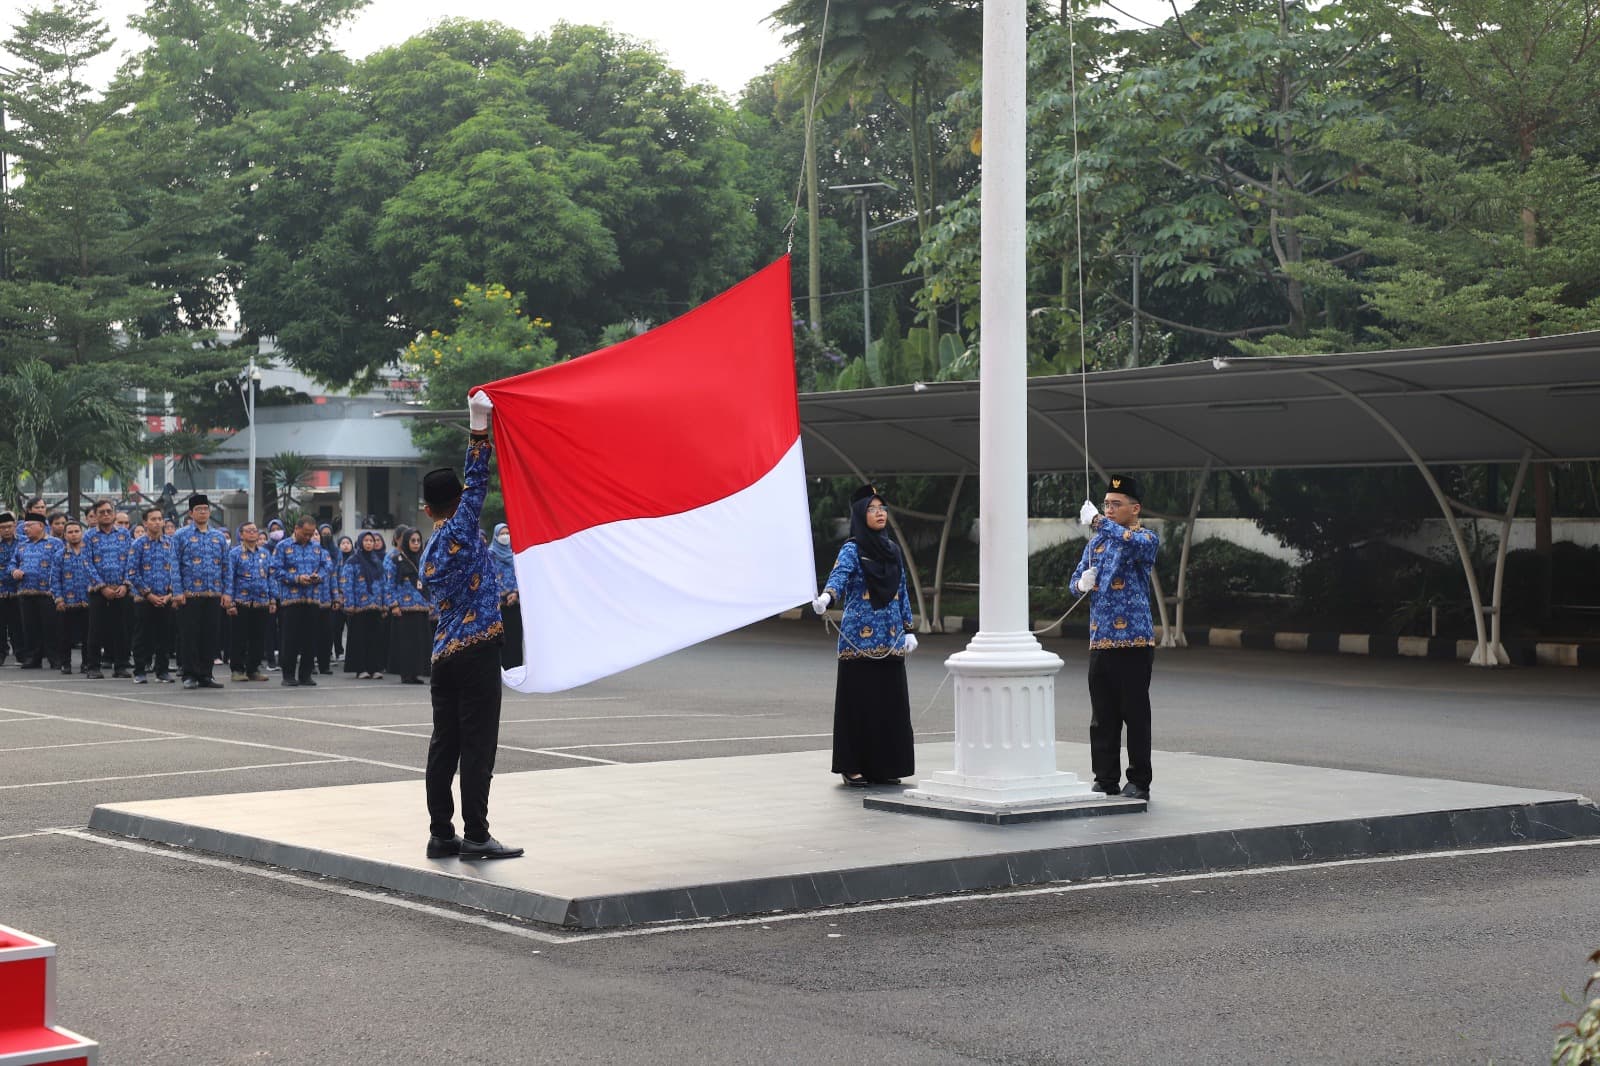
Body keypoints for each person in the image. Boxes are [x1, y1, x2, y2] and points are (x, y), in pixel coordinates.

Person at [417, 391, 521, 861]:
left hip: (443, 656)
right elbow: (477, 477)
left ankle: (442, 833)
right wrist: (479, 422)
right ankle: (476, 833)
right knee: (477, 746)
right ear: (456, 503)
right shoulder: (461, 529)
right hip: (477, 651)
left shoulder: (427, 555)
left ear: (426, 509)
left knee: (445, 747)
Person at [812, 485, 918, 787]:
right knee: (859, 705)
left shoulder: (892, 549)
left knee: (889, 706)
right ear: (861, 515)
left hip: (892, 639)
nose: (880, 513)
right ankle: (853, 766)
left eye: (882, 508)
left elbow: (902, 591)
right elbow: (839, 578)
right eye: (872, 509)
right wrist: (827, 598)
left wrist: (909, 629)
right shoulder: (852, 549)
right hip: (858, 642)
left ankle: (885, 766)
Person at [1070, 475, 1161, 802]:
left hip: (1134, 643)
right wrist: (1082, 584)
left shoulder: (1144, 538)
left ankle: (1139, 781)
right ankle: (1105, 778)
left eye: (1116, 504)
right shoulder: (1095, 544)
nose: (1109, 509)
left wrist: (1096, 521)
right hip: (1101, 642)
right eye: (1106, 504)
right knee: (1102, 718)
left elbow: (1130, 542)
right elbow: (1073, 584)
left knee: (1135, 715)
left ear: (1134, 509)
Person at [171, 494, 229, 690]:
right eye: (198, 509)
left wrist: (227, 592)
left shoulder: (219, 537)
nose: (203, 512)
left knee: (210, 636)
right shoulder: (181, 535)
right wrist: (177, 592)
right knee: (190, 636)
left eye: (205, 509)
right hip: (189, 595)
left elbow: (226, 567)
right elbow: (174, 565)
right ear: (191, 513)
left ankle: (206, 674)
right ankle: (190, 674)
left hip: (213, 594)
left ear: (210, 511)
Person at [271, 515, 330, 687]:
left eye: (311, 533)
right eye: (305, 533)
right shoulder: (283, 546)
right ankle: (288, 675)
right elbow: (275, 570)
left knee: (310, 638)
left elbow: (327, 566)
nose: (308, 537)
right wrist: (296, 578)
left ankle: (306, 674)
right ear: (296, 529)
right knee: (290, 638)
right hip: (292, 599)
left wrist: (318, 576)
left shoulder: (317, 548)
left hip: (312, 598)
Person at [126, 507, 179, 684]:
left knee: (164, 636)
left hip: (165, 597)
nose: (157, 522)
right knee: (142, 636)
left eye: (160, 519)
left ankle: (162, 670)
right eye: (153, 519)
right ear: (145, 523)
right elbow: (132, 572)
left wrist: (170, 594)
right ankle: (140, 671)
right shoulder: (138, 544)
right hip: (144, 598)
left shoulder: (170, 543)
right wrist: (148, 594)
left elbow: (176, 570)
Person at [84, 499, 135, 679]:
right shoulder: (89, 536)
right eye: (101, 512)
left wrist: (125, 584)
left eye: (108, 511)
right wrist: (102, 587)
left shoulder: (124, 534)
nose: (106, 515)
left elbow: (131, 561)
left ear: (113, 514)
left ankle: (121, 665)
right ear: (95, 515)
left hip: (121, 589)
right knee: (96, 629)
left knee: (121, 629)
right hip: (98, 591)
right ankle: (93, 667)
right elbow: (86, 563)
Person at [223, 522, 275, 682]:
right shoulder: (234, 554)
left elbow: (271, 577)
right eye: (249, 531)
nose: (253, 533)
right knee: (239, 637)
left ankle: (253, 669)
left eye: (255, 530)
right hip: (241, 601)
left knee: (258, 637)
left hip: (261, 601)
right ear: (241, 534)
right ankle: (237, 669)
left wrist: (272, 599)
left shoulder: (265, 554)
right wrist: (229, 601)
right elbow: (229, 578)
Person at [51, 520, 101, 675]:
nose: (73, 535)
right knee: (64, 636)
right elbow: (54, 579)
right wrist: (58, 599)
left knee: (89, 636)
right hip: (67, 602)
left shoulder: (90, 552)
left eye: (76, 531)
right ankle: (65, 663)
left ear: (82, 533)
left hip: (88, 601)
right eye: (70, 532)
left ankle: (87, 663)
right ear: (65, 535)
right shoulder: (59, 555)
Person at [11, 513, 57, 670]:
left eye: (29, 526)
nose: (26, 529)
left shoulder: (55, 543)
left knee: (50, 627)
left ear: (41, 526)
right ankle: (32, 658)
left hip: (48, 593)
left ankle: (55, 658)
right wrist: (14, 571)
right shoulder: (22, 545)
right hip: (26, 592)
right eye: (25, 526)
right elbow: (12, 564)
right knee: (30, 627)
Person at [386, 525, 431, 685]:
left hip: (421, 606)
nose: (416, 543)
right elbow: (389, 583)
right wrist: (393, 605)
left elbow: (427, 583)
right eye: (413, 540)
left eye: (418, 540)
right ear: (406, 541)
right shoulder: (396, 560)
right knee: (406, 643)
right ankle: (406, 674)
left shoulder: (423, 559)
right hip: (403, 607)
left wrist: (430, 602)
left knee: (419, 643)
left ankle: (416, 673)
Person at [342, 530, 390, 679]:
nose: (369, 543)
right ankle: (361, 668)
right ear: (361, 542)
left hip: (375, 606)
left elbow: (384, 583)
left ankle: (374, 668)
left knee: (375, 638)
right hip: (359, 607)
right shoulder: (353, 561)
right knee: (359, 638)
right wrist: (350, 604)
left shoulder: (377, 562)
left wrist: (384, 604)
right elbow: (347, 584)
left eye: (371, 541)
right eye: (366, 540)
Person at [490, 523, 522, 670]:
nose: (505, 536)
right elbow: (490, 578)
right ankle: (500, 668)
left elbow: (521, 576)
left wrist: (515, 593)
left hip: (515, 603)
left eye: (507, 533)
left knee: (515, 636)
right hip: (499, 606)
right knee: (500, 637)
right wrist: (505, 594)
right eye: (502, 533)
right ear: (496, 536)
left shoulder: (515, 553)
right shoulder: (490, 554)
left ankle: (515, 667)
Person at [0, 513, 19, 667]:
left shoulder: (24, 543)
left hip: (18, 591)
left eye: (9, 527)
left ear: (15, 526)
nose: (6, 530)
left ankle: (22, 654)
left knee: (18, 625)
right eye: (2, 527)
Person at [331, 534, 353, 663]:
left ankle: (350, 653)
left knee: (352, 627)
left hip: (351, 599)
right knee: (337, 627)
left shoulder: (355, 559)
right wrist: (338, 595)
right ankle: (339, 651)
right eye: (343, 543)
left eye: (348, 543)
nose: (346, 545)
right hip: (339, 598)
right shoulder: (337, 560)